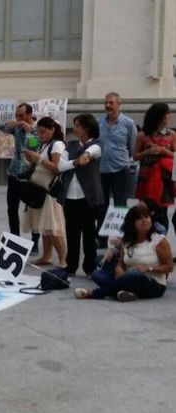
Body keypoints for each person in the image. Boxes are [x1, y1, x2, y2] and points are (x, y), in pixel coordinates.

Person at [75, 203, 172, 301]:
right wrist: (119, 268)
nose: (145, 220)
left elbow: (169, 267)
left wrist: (148, 268)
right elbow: (122, 262)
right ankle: (126, 293)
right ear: (132, 223)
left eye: (147, 217)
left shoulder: (159, 241)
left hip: (152, 283)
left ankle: (96, 293)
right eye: (140, 219)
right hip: (128, 277)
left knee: (135, 274)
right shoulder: (127, 241)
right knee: (97, 274)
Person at [58, 114, 103, 276]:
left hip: (87, 197)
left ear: (86, 128)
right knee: (71, 233)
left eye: (77, 125)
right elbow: (60, 166)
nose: (74, 128)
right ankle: (71, 266)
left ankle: (90, 267)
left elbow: (93, 151)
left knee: (89, 234)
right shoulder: (70, 145)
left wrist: (86, 155)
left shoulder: (97, 144)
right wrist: (76, 162)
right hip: (70, 196)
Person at [21, 117, 67, 268]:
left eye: (43, 132)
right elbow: (41, 164)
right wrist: (31, 159)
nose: (40, 135)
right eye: (39, 132)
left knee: (53, 229)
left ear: (52, 130)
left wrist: (38, 158)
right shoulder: (45, 145)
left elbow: (56, 168)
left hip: (50, 191)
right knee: (45, 227)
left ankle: (63, 259)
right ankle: (47, 256)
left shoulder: (57, 145)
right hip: (39, 189)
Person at [97, 92, 138, 248]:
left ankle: (122, 237)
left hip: (121, 170)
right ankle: (101, 238)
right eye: (106, 102)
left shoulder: (128, 123)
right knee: (102, 206)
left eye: (111, 103)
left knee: (120, 206)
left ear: (118, 104)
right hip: (101, 170)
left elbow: (132, 147)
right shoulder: (99, 122)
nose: (108, 106)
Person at [0, 103, 41, 254]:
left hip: (30, 174)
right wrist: (19, 123)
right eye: (17, 115)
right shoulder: (17, 126)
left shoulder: (37, 129)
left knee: (33, 209)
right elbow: (1, 127)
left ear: (30, 114)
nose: (18, 118)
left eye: (22, 115)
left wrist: (28, 131)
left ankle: (35, 240)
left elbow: (34, 147)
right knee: (12, 208)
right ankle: (14, 238)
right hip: (14, 172)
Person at [133, 102, 176, 232]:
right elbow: (135, 156)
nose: (169, 116)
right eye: (166, 114)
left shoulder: (171, 135)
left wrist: (164, 152)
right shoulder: (143, 135)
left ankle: (161, 240)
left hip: (164, 179)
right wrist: (147, 152)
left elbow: (175, 155)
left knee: (162, 212)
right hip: (146, 177)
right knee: (146, 210)